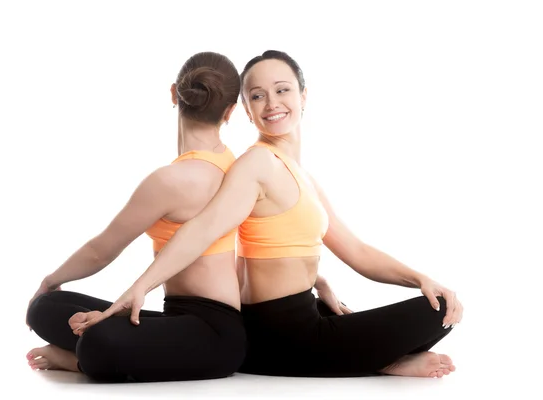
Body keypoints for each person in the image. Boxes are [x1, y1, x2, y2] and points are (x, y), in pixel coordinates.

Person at [78, 50, 463, 379]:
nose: (272, 103)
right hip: (282, 332)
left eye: (282, 90)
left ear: (303, 96)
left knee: (441, 303)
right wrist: (140, 287)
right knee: (437, 314)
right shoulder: (256, 164)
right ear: (245, 109)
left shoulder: (300, 174)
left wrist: (419, 278)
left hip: (304, 315)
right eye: (257, 96)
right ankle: (381, 363)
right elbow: (204, 228)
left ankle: (378, 359)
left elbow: (357, 251)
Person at [25, 51, 249, 383]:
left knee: (68, 323)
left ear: (174, 93)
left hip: (215, 339)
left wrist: (49, 281)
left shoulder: (170, 180)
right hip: (184, 322)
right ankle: (113, 346)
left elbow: (102, 249)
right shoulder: (236, 165)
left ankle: (80, 361)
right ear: (231, 111)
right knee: (50, 308)